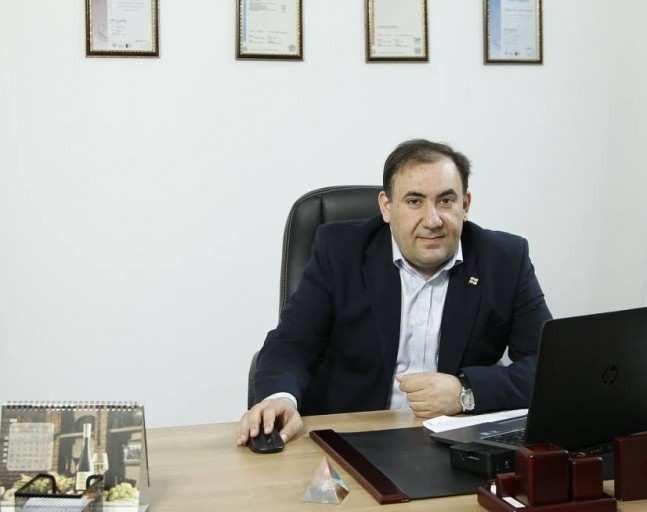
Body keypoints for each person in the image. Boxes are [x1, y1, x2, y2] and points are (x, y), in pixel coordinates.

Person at [237, 139, 551, 447]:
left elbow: (548, 368)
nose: (432, 220)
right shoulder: (340, 251)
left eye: (446, 201)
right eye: (414, 201)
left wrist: (466, 392)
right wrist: (280, 398)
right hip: (353, 440)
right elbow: (292, 343)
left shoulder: (505, 260)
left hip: (455, 444)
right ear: (387, 207)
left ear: (465, 205)